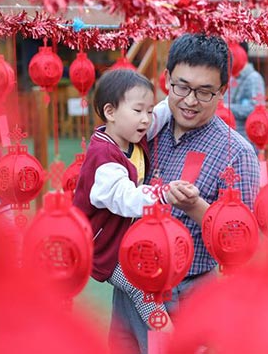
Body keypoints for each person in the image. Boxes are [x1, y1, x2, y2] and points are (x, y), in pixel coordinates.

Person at [110, 33, 260, 352]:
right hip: (129, 283)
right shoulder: (145, 129)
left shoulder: (237, 153)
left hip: (186, 293)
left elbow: (243, 243)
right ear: (166, 80)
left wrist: (197, 208)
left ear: (222, 91)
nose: (190, 101)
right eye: (182, 87)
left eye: (204, 92)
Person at [72, 69, 197, 354]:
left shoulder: (131, 134)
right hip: (102, 247)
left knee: (149, 280)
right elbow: (125, 198)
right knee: (143, 288)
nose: (146, 119)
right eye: (139, 110)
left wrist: (180, 96)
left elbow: (164, 112)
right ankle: (171, 338)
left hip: (123, 239)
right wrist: (163, 193)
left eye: (149, 111)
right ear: (110, 112)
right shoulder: (104, 159)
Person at [228, 42, 265, 139]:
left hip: (244, 136)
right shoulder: (231, 76)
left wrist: (226, 108)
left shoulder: (254, 78)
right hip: (229, 134)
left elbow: (256, 108)